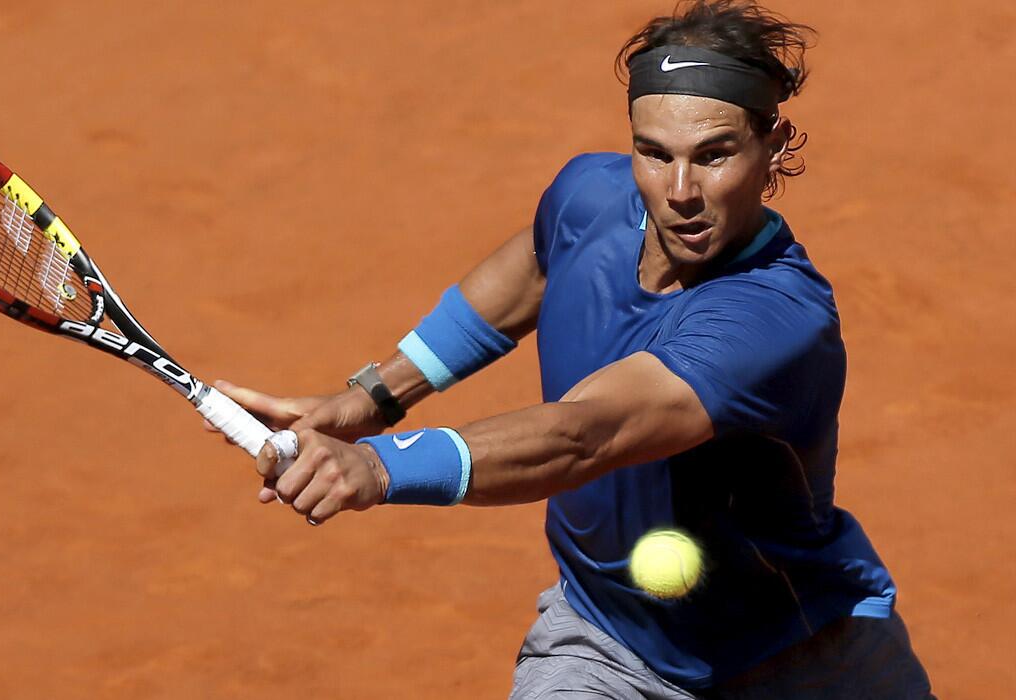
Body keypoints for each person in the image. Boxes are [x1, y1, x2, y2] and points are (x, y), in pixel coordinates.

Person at [209, 1, 935, 697]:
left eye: (713, 156)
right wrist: (377, 395)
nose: (678, 190)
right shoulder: (591, 194)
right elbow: (533, 265)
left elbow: (586, 434)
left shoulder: (774, 319)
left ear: (772, 146)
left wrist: (378, 466)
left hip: (803, 662)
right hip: (605, 646)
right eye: (653, 154)